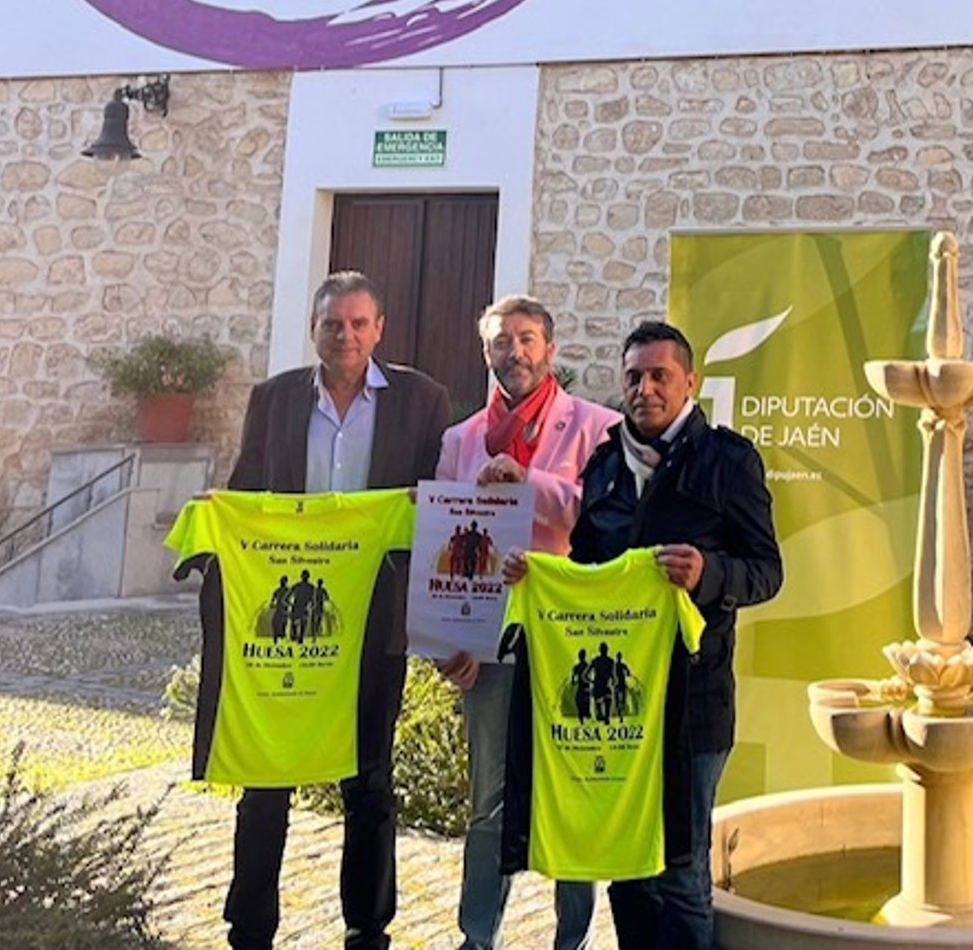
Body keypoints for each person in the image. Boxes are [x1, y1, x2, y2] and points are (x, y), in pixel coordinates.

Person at [510, 319, 782, 950]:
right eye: (634, 377)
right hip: (620, 717)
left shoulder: (729, 462)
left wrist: (710, 573)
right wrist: (539, 579)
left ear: (690, 382)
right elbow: (587, 572)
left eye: (661, 376)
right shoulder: (604, 465)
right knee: (627, 868)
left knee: (682, 875)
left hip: (694, 703)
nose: (646, 389)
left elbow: (768, 571)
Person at [222, 270, 450, 950]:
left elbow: (440, 503)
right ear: (313, 329)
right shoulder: (273, 399)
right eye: (331, 324)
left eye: (357, 324)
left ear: (379, 329)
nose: (344, 336)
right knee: (266, 780)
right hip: (287, 627)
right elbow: (246, 491)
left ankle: (368, 929)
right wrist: (216, 524)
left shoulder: (423, 400)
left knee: (369, 779)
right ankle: (249, 931)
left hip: (375, 617)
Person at [435, 294, 620, 950]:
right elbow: (442, 544)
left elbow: (603, 518)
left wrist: (528, 482)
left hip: (568, 637)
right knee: (488, 799)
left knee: (573, 788)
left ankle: (573, 938)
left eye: (526, 339)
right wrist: (447, 641)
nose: (513, 351)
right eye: (500, 341)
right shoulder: (459, 441)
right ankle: (476, 935)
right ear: (486, 352)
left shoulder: (598, 428)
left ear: (550, 349)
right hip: (487, 642)